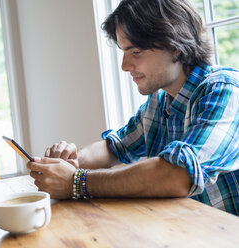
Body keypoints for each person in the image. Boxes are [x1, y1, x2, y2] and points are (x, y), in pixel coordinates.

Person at [27, 0, 239, 215]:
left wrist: (76, 182)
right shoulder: (159, 100)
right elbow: (114, 148)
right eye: (123, 52)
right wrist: (68, 162)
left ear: (175, 47)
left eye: (136, 52)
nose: (124, 66)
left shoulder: (225, 90)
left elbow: (177, 175)